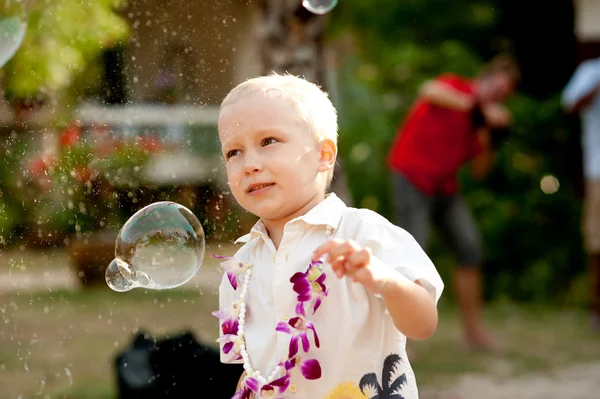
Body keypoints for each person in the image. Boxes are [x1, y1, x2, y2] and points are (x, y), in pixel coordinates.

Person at [214, 73, 444, 399]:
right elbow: (251, 371)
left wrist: (384, 280)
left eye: (268, 142)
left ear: (323, 155)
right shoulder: (240, 269)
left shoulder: (364, 233)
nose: (249, 163)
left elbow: (424, 324)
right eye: (233, 152)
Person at [387, 55, 520, 351]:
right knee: (411, 255)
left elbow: (479, 171)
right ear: (483, 79)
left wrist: (489, 139)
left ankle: (474, 334)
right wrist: (476, 108)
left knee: (469, 248)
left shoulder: (480, 126)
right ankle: (400, 344)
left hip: (445, 186)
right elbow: (429, 90)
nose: (497, 97)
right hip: (411, 176)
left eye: (502, 95)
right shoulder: (455, 87)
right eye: (495, 89)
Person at [562, 56, 600, 331]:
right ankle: (596, 309)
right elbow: (571, 106)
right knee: (597, 241)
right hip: (598, 170)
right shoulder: (591, 70)